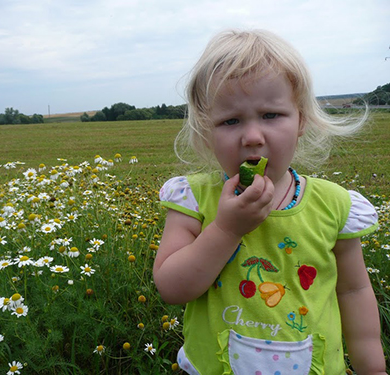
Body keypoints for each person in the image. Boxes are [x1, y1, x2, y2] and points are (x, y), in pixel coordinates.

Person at [154, 29, 387, 375]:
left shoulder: (332, 205)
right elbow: (172, 287)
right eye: (230, 121)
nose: (252, 137)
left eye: (271, 115)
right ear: (206, 130)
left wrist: (373, 368)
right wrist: (226, 229)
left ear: (301, 121)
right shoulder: (195, 199)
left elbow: (353, 292)